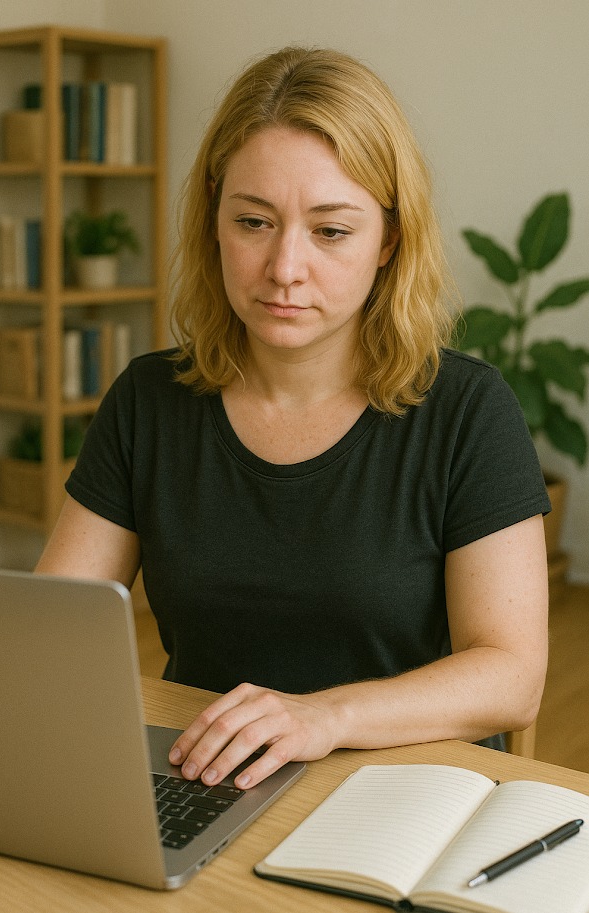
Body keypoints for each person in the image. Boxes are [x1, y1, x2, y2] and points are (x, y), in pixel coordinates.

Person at [36, 46, 550, 790]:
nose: (283, 267)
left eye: (330, 231)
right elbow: (53, 632)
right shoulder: (149, 401)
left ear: (389, 239)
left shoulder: (467, 410)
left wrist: (323, 717)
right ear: (213, 219)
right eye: (253, 221)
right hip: (206, 779)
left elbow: (509, 676)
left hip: (396, 791)